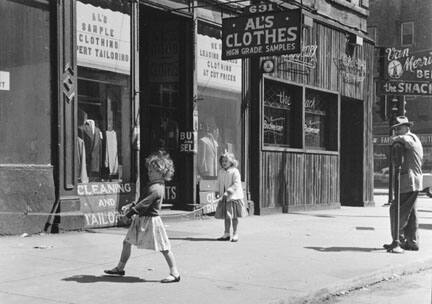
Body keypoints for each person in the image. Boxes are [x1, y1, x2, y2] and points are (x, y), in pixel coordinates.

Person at [104, 150, 180, 283]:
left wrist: (129, 214)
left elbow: (143, 204)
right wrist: (131, 205)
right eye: (149, 171)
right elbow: (141, 201)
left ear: (161, 172)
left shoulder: (156, 188)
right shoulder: (153, 186)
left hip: (151, 221)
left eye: (151, 171)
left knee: (164, 247)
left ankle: (175, 273)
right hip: (142, 219)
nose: (149, 173)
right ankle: (120, 268)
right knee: (127, 242)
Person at [383, 116, 423, 253]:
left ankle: (397, 240)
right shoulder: (415, 138)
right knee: (410, 213)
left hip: (408, 181)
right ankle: (412, 242)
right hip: (413, 181)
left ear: (407, 127)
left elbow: (406, 141)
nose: (397, 131)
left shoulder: (410, 138)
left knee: (396, 210)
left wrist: (393, 140)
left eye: (399, 128)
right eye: (395, 129)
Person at [214, 152, 247, 242]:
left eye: (226, 161)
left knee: (234, 217)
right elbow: (218, 182)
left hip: (233, 198)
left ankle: (235, 233)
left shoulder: (235, 171)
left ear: (231, 162)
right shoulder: (221, 171)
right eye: (223, 161)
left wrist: (228, 192)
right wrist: (217, 191)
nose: (224, 163)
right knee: (226, 216)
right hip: (224, 198)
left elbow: (236, 184)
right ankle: (226, 233)